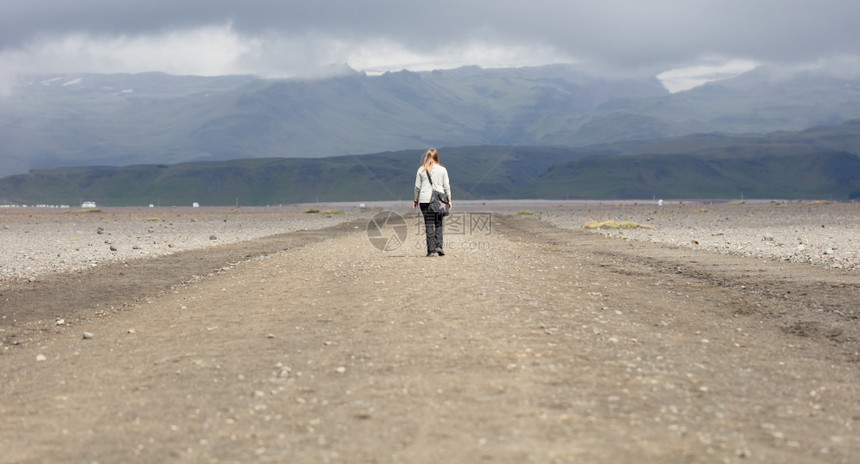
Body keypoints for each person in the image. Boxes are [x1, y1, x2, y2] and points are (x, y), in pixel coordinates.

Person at [413, 148, 452, 257]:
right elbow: (446, 186)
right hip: (439, 199)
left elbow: (417, 187)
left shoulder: (421, 170)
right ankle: (439, 245)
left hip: (425, 200)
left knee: (429, 224)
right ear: (436, 157)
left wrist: (415, 200)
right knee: (438, 223)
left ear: (426, 157)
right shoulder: (442, 170)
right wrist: (449, 200)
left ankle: (431, 250)